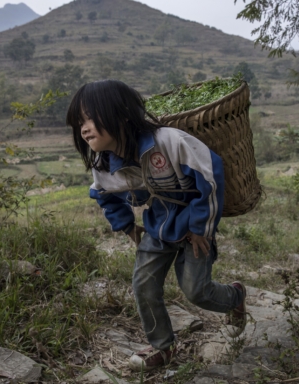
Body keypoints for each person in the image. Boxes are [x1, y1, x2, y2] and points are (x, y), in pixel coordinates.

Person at [66, 80, 247, 371]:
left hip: (193, 227)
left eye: (89, 118)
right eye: (79, 122)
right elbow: (102, 195)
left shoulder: (169, 142)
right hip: (156, 228)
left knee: (196, 291)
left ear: (121, 114)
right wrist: (127, 227)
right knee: (144, 285)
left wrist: (201, 228)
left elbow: (209, 175)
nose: (84, 128)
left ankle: (236, 296)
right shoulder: (105, 166)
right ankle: (162, 347)